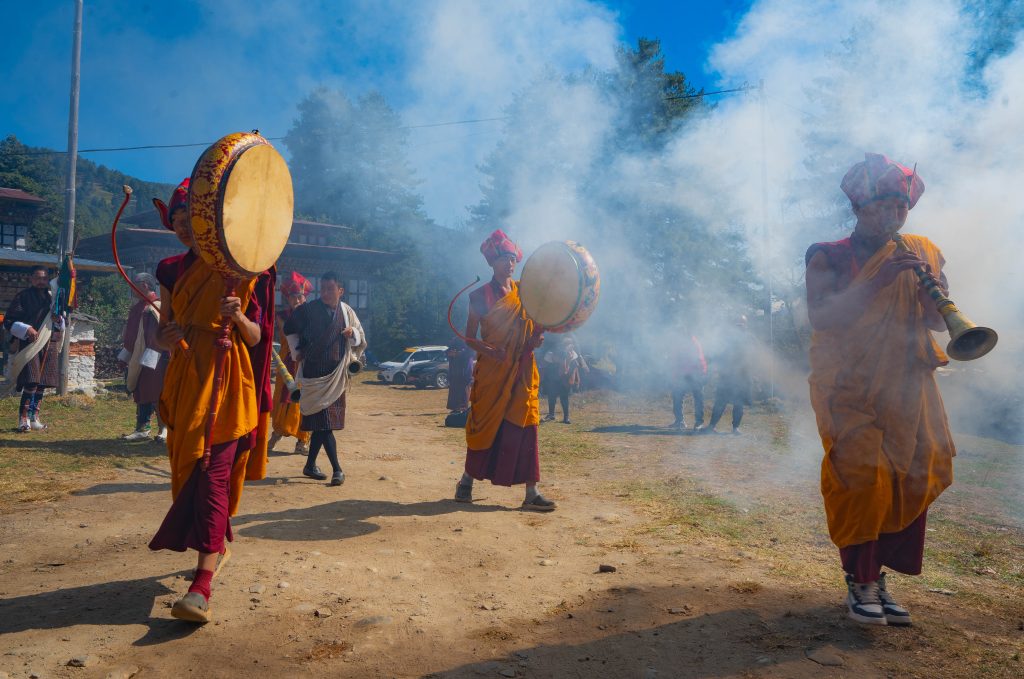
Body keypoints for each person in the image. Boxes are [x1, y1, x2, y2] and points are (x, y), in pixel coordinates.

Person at [805, 153, 955, 627]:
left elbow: (934, 323)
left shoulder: (921, 253)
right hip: (847, 385)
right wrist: (879, 283)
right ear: (859, 207)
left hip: (907, 384)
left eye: (900, 208)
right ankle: (860, 581)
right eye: (882, 207)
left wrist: (935, 297)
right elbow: (822, 318)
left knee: (915, 471)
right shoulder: (827, 254)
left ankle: (877, 576)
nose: (892, 217)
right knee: (865, 477)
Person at [147, 179, 275, 624]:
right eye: (177, 222)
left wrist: (237, 314)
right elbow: (162, 334)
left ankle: (201, 586)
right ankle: (215, 535)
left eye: (191, 221)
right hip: (186, 379)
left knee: (213, 469)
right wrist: (168, 336)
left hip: (227, 375)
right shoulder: (169, 269)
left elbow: (258, 337)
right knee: (190, 471)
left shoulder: (239, 268)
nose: (184, 228)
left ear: (208, 223)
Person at [454, 230, 554, 511]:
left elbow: (533, 327)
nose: (510, 264)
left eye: (512, 259)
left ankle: (531, 492)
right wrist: (489, 351)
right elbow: (469, 337)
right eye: (504, 259)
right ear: (491, 263)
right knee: (484, 425)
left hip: (522, 368)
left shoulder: (525, 292)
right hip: (493, 372)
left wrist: (535, 340)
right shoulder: (479, 296)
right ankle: (466, 482)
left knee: (526, 425)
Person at [283, 271, 366, 486]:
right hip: (314, 374)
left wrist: (352, 334)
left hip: (336, 376)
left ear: (340, 290)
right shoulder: (307, 311)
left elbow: (361, 337)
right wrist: (295, 352)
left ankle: (310, 465)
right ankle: (337, 469)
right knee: (324, 424)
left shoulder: (347, 312)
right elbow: (289, 328)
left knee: (323, 424)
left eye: (331, 289)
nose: (326, 293)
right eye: (323, 289)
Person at [3, 265, 63, 432]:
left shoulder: (52, 298)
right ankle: (23, 420)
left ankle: (34, 418)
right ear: (31, 279)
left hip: (48, 343)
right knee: (31, 380)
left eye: (44, 278)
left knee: (42, 383)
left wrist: (58, 319)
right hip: (30, 344)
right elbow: (9, 321)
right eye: (38, 278)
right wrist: (27, 329)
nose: (41, 281)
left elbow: (60, 323)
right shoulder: (23, 297)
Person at [118, 273, 169, 442]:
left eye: (135, 284)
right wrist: (127, 354)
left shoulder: (158, 306)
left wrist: (151, 354)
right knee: (140, 392)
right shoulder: (136, 308)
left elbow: (161, 334)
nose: (132, 288)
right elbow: (131, 333)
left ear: (145, 285)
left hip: (155, 358)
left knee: (157, 393)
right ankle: (142, 428)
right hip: (136, 356)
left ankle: (164, 429)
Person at [268, 271, 313, 455]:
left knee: (304, 401)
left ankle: (302, 440)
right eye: (292, 296)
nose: (296, 300)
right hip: (286, 362)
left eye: (299, 296)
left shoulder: (311, 315)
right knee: (282, 399)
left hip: (305, 363)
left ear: (304, 296)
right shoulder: (280, 316)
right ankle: (278, 432)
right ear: (287, 297)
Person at [701, 316, 752, 434]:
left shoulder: (749, 338)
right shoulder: (728, 338)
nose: (739, 327)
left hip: (742, 377)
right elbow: (720, 354)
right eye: (737, 324)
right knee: (720, 402)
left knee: (738, 404)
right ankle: (712, 426)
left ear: (745, 325)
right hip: (727, 376)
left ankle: (735, 428)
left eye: (742, 324)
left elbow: (753, 355)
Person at [542, 336, 588, 424]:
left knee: (564, 396)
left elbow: (574, 367)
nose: (568, 347)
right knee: (552, 395)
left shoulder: (573, 354)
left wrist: (576, 379)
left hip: (565, 378)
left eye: (569, 345)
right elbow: (544, 365)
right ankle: (551, 414)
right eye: (566, 345)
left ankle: (566, 417)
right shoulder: (551, 354)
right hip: (553, 376)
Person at [668, 330, 706, 430]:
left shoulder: (695, 343)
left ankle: (698, 422)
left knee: (698, 398)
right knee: (677, 397)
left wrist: (702, 372)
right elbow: (674, 359)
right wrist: (674, 375)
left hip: (694, 375)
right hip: (682, 375)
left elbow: (700, 359)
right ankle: (680, 421)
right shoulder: (679, 344)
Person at [446, 337, 474, 413]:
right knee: (454, 389)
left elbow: (470, 352)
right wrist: (450, 353)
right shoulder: (455, 340)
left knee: (464, 389)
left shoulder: (469, 340)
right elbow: (448, 351)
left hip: (464, 370)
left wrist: (459, 353)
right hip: (455, 369)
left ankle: (462, 407)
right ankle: (455, 407)